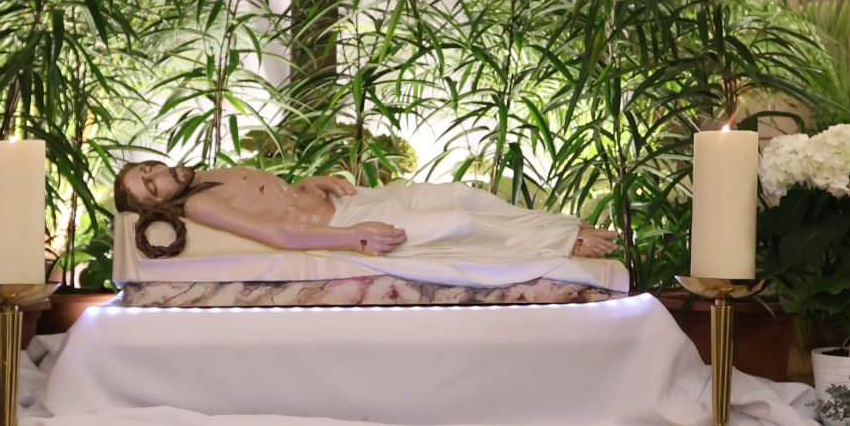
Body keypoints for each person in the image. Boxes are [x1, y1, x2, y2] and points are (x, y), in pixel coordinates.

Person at [114, 162, 622, 261]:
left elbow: (277, 197)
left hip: (344, 200)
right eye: (149, 187)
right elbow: (279, 235)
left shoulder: (209, 174)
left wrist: (308, 184)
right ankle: (564, 243)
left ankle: (561, 226)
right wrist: (353, 235)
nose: (157, 175)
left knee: (462, 194)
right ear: (158, 206)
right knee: (459, 223)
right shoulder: (199, 203)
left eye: (147, 168)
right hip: (339, 221)